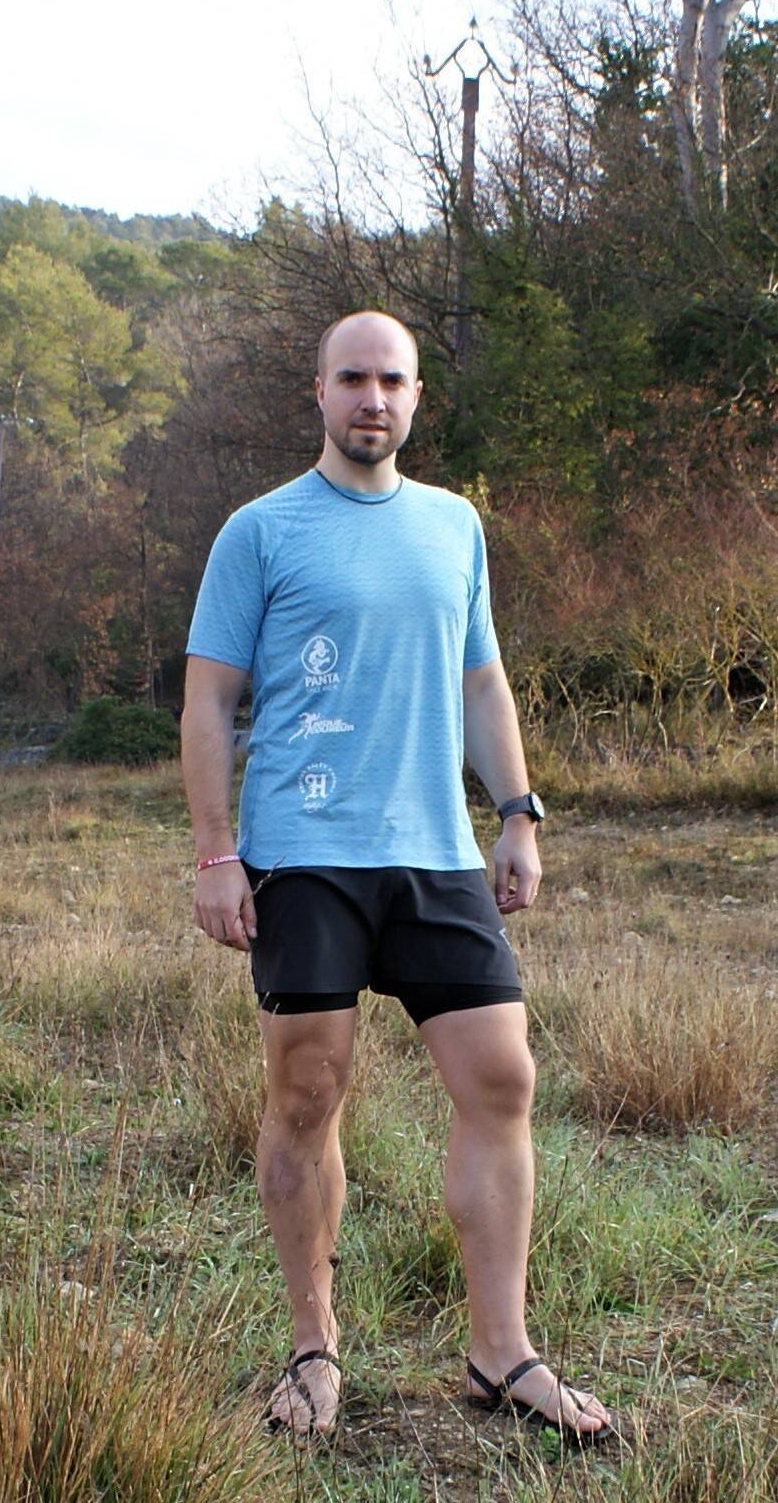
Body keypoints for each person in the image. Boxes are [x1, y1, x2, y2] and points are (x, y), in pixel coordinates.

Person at [180, 310, 613, 1442]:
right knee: (308, 1096)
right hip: (304, 855)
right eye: (351, 380)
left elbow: (482, 685)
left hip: (436, 854)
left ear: (417, 398)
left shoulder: (454, 526)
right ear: (317, 393)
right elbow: (209, 703)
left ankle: (500, 1355)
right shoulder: (259, 533)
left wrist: (515, 815)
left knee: (501, 1081)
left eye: (393, 382)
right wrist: (217, 854)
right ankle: (314, 1347)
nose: (372, 399)